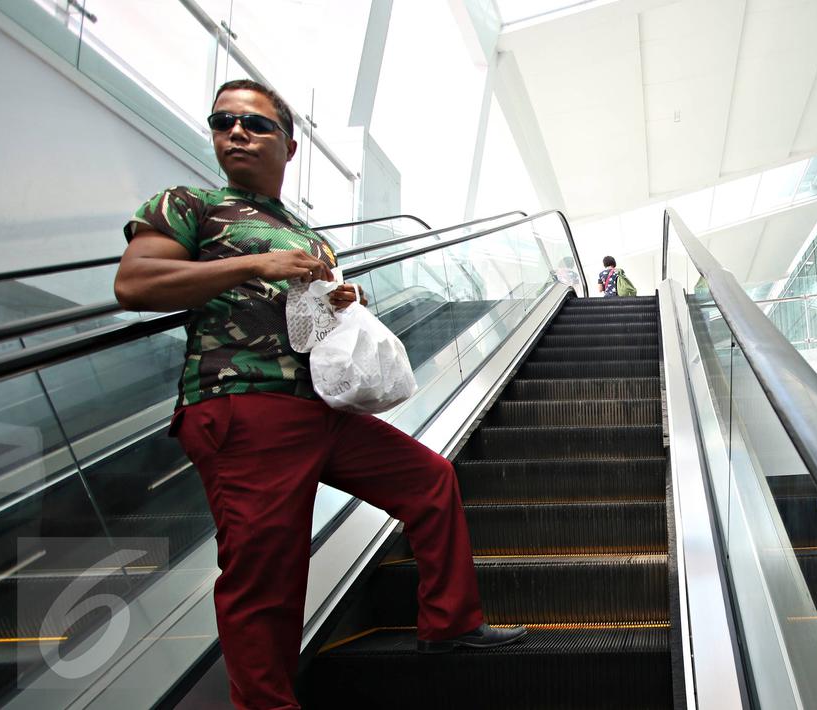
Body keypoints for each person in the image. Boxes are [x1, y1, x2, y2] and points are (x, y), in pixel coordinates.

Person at [113, 79, 523, 710]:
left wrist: (338, 300)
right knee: (267, 580)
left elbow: (306, 318)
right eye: (223, 122)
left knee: (430, 479)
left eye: (255, 124)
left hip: (320, 407)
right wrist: (251, 266)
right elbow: (135, 284)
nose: (236, 132)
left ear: (289, 144)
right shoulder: (190, 204)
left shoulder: (307, 235)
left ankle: (449, 626)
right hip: (243, 405)